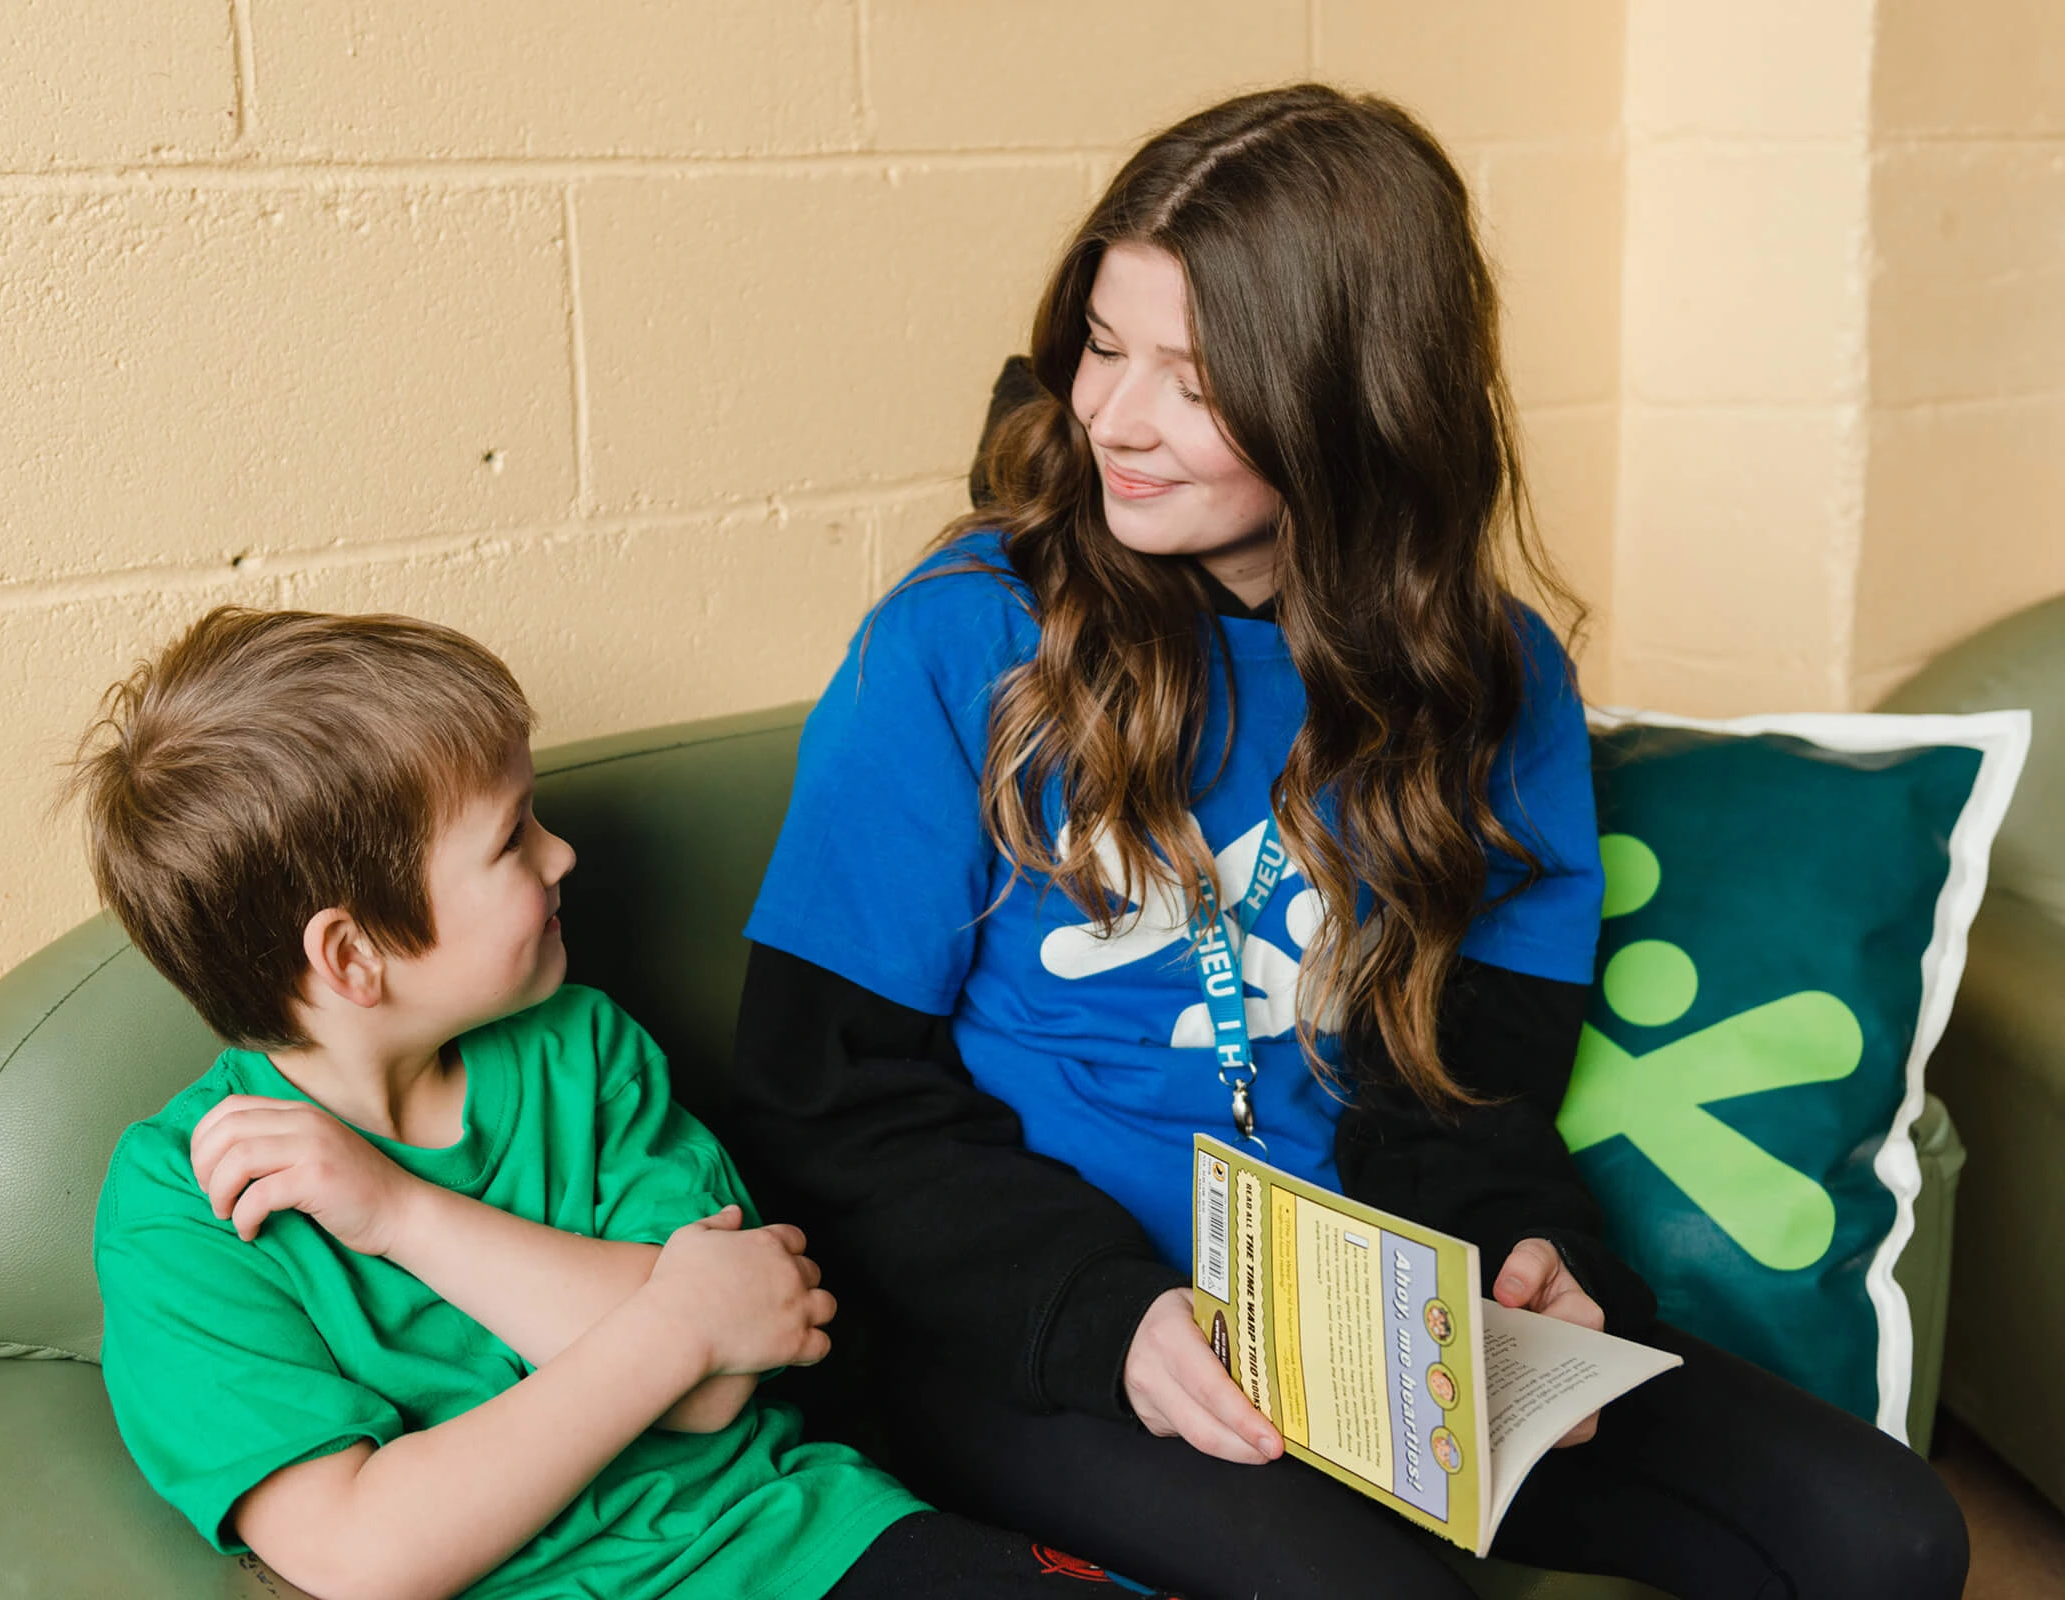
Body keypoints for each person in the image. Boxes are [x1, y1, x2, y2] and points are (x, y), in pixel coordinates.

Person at [728, 86, 1969, 1600]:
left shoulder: (1489, 671)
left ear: (1353, 400)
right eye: (1103, 347)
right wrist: (1108, 1313)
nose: (1112, 417)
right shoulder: (955, 640)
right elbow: (825, 1097)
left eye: (1195, 380)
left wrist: (1527, 1251)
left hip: (1368, 1325)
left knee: (1890, 1534)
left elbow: (1468, 1076)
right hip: (1037, 1327)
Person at [73, 607, 1184, 1600]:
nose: (561, 853)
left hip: (799, 1540)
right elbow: (366, 1555)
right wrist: (676, 1321)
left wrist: (404, 1215)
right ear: (354, 956)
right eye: (510, 838)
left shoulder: (581, 1048)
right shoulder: (182, 1201)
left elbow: (722, 1386)